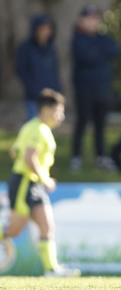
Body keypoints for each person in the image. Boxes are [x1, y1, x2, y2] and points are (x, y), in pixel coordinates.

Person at [0, 89, 80, 277]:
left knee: (47, 226)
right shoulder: (38, 129)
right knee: (13, 230)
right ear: (46, 109)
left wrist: (40, 177)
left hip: (33, 184)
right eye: (59, 111)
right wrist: (44, 179)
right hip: (25, 184)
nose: (61, 116)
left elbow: (14, 151)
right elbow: (29, 158)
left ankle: (51, 270)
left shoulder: (32, 127)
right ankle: (51, 269)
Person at [71, 5, 120, 172]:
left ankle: (100, 157)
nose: (94, 22)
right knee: (82, 123)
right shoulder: (78, 38)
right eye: (90, 18)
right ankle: (76, 157)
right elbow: (85, 57)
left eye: (96, 19)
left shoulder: (102, 37)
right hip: (84, 89)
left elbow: (114, 49)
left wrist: (96, 52)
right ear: (82, 20)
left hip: (102, 89)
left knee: (100, 125)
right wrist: (100, 54)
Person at [15, 14, 61, 121]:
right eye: (43, 28)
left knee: (49, 129)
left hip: (51, 98)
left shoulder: (51, 49)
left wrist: (57, 90)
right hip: (34, 97)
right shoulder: (25, 48)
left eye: (48, 28)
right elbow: (20, 70)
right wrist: (33, 88)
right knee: (34, 126)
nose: (46, 31)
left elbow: (54, 71)